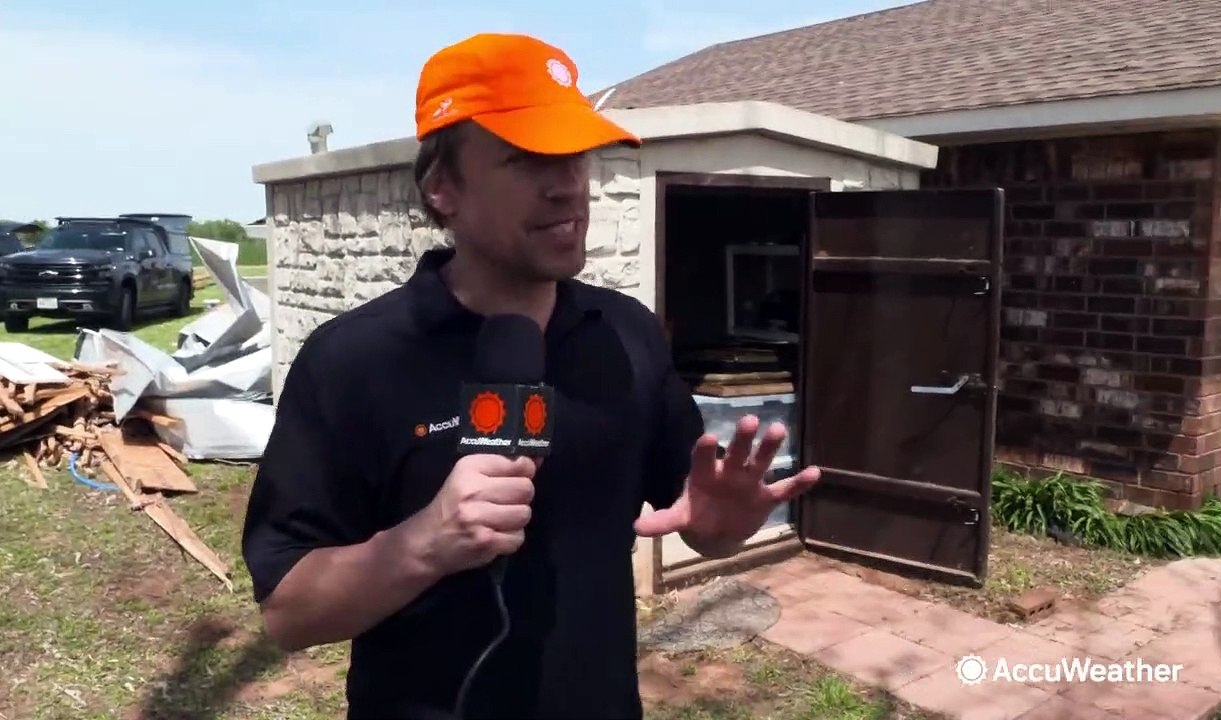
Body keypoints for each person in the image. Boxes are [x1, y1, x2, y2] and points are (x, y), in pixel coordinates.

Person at [240, 32, 821, 720]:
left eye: (573, 156)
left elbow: (696, 522)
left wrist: (723, 526)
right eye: (527, 158)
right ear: (442, 188)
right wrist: (424, 543)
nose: (566, 184)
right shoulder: (354, 361)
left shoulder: (627, 335)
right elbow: (289, 613)